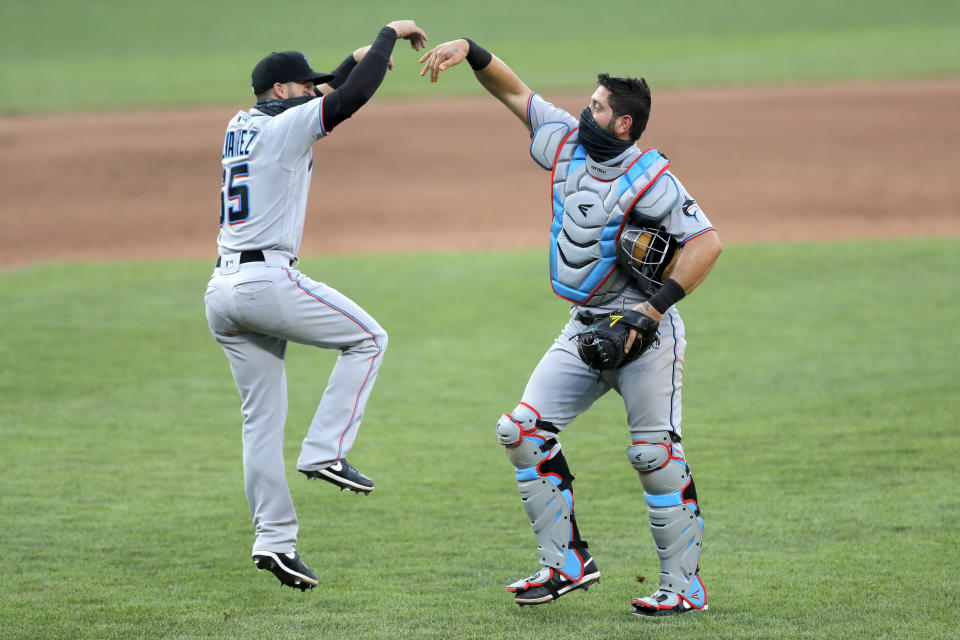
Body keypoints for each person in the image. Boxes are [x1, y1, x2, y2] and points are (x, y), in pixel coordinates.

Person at [418, 39, 722, 616]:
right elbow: (514, 92)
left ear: (625, 122)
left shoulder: (653, 179)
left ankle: (684, 587)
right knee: (521, 433)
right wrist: (472, 51)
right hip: (584, 328)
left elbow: (707, 244)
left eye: (599, 107)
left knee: (653, 454)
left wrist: (651, 309)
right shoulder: (564, 141)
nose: (587, 112)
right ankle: (565, 564)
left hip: (646, 336)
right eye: (588, 102)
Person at [204, 20, 427, 591]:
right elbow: (349, 99)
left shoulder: (242, 123)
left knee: (260, 424)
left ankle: (274, 541)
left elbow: (329, 90)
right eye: (303, 86)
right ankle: (326, 451)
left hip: (222, 292)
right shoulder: (288, 125)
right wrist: (386, 36)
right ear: (282, 91)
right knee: (368, 337)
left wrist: (347, 60)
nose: (313, 92)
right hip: (265, 283)